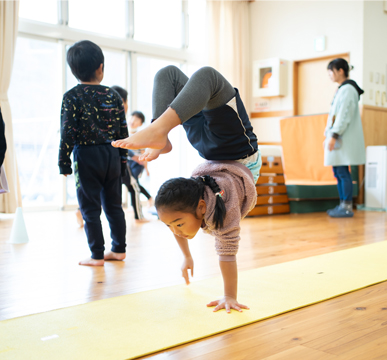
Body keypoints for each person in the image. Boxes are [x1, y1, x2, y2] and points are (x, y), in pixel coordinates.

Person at [112, 65, 260, 313]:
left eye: (176, 224)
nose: (176, 231)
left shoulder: (191, 202)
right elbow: (227, 253)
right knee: (207, 77)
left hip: (208, 149)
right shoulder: (225, 212)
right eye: (173, 226)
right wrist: (229, 296)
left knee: (167, 74)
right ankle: (159, 130)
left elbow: (177, 219)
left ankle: (161, 134)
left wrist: (187, 256)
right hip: (238, 152)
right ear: (202, 209)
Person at [59, 40, 128, 266]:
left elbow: (67, 131)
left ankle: (96, 254)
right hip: (113, 153)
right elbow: (123, 130)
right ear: (100, 67)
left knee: (90, 207)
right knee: (114, 206)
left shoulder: (72, 97)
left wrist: (64, 163)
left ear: (73, 70)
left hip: (86, 156)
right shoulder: (114, 95)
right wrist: (123, 159)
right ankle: (118, 250)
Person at [324, 58, 365, 218]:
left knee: (342, 172)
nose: (329, 74)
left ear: (341, 71)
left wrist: (333, 135)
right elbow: (334, 116)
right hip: (336, 135)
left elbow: (343, 115)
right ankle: (343, 204)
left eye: (331, 71)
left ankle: (347, 206)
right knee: (338, 171)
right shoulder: (342, 89)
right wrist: (327, 136)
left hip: (341, 137)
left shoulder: (348, 89)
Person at [111, 86, 149, 223]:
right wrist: (134, 157)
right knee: (134, 187)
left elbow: (143, 150)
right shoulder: (120, 122)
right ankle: (139, 216)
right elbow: (123, 144)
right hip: (121, 160)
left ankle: (81, 210)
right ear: (122, 102)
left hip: (111, 160)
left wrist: (145, 165)